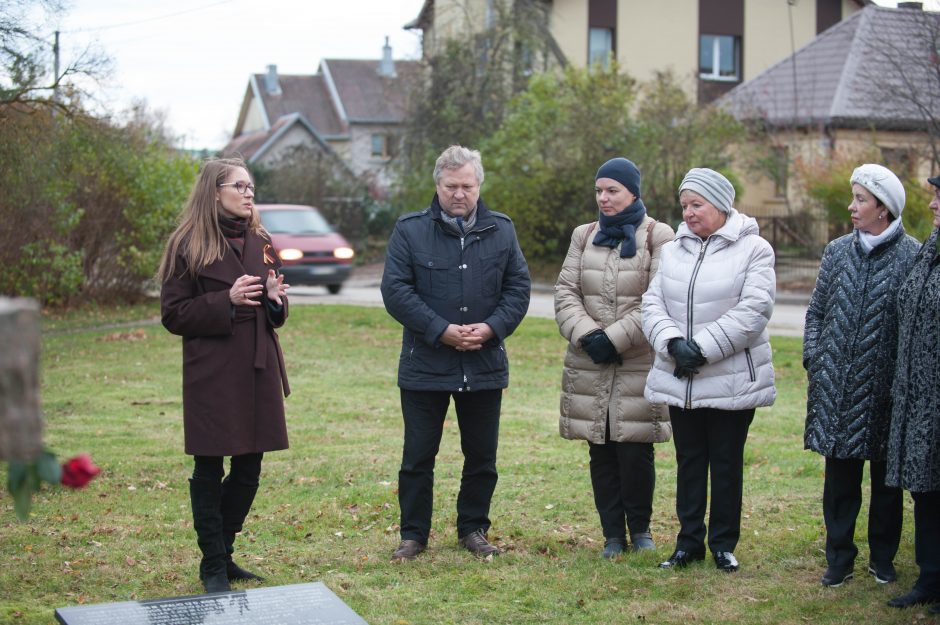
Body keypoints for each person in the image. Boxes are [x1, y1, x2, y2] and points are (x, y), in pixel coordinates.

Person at [381, 145, 531, 561]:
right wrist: (440, 331)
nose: (459, 194)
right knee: (417, 456)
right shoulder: (409, 230)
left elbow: (518, 289)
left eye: (467, 186)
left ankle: (473, 528)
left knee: (482, 455)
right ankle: (413, 535)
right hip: (425, 364)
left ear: (479, 185)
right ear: (438, 185)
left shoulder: (502, 230)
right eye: (451, 186)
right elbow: (395, 291)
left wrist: (492, 328)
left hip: (484, 362)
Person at [158, 157, 290, 593]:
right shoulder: (187, 244)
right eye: (240, 186)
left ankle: (224, 550)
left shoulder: (262, 239)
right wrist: (226, 301)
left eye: (251, 186)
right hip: (212, 370)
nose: (249, 192)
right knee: (209, 466)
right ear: (215, 191)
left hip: (257, 365)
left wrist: (274, 300)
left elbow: (278, 310)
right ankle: (213, 563)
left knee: (250, 467)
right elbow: (173, 314)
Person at [642, 167, 776, 573]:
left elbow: (755, 310)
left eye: (696, 204)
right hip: (682, 377)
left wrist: (700, 348)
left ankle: (722, 544)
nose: (689, 213)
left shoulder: (755, 249)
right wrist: (671, 344)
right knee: (689, 461)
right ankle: (688, 544)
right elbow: (652, 303)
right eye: (684, 205)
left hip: (731, 377)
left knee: (725, 461)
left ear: (720, 204)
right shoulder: (674, 249)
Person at [803, 164, 919, 588]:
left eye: (861, 200)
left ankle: (882, 558)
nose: (851, 207)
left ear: (883, 209)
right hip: (837, 387)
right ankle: (839, 557)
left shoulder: (913, 255)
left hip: (888, 391)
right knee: (840, 482)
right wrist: (816, 358)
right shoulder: (836, 252)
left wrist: (903, 379)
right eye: (853, 198)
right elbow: (815, 313)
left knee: (887, 484)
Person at [554, 157, 675, 559]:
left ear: (633, 192)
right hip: (589, 359)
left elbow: (659, 298)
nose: (603, 198)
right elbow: (565, 292)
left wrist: (616, 338)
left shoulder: (659, 235)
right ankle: (611, 534)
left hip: (638, 361)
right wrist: (589, 334)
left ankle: (640, 529)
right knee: (600, 447)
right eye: (599, 191)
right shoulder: (583, 235)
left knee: (635, 448)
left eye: (612, 191)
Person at [884, 175, 940, 612]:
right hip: (919, 396)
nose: (933, 203)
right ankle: (930, 576)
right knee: (926, 487)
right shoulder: (930, 250)